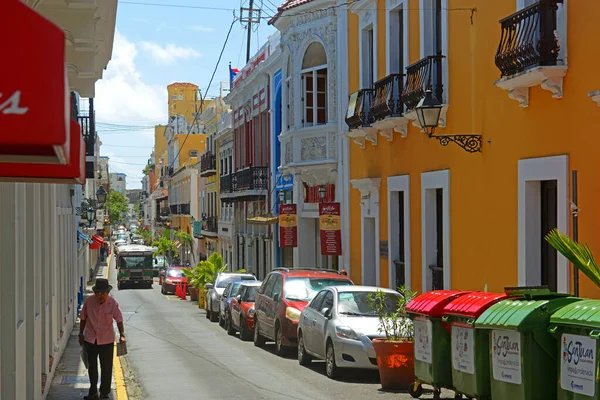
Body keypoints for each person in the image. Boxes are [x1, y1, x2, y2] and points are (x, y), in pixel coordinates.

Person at [79, 278, 126, 400]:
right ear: (95, 293)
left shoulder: (112, 303)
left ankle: (105, 392)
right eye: (98, 293)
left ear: (107, 293)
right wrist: (80, 334)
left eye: (103, 293)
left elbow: (119, 319)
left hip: (107, 340)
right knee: (92, 367)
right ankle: (93, 392)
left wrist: (122, 334)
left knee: (106, 367)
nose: (100, 295)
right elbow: (83, 318)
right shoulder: (89, 302)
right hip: (90, 340)